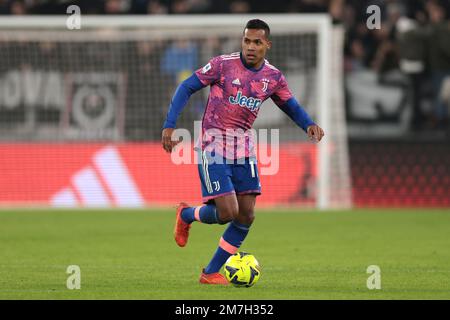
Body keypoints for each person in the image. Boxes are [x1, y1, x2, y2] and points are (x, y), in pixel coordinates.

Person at [161, 19, 324, 285]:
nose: (250, 47)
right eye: (247, 41)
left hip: (243, 149)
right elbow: (186, 86)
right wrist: (169, 125)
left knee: (246, 215)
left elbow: (290, 105)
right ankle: (187, 214)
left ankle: (210, 272)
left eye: (257, 42)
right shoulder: (222, 65)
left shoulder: (272, 77)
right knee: (227, 212)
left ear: (267, 45)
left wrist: (308, 123)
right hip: (212, 146)